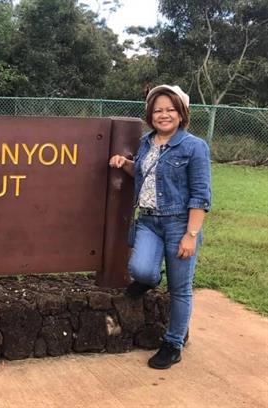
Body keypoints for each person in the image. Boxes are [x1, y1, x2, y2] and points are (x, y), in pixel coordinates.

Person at [108, 85, 212, 369]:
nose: (163, 115)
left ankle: (173, 343)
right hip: (149, 221)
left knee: (180, 289)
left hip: (179, 222)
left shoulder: (194, 147)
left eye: (170, 110)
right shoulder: (145, 143)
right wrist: (124, 163)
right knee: (140, 270)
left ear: (181, 113)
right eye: (157, 110)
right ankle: (151, 279)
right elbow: (143, 172)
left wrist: (190, 235)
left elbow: (201, 196)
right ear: (150, 115)